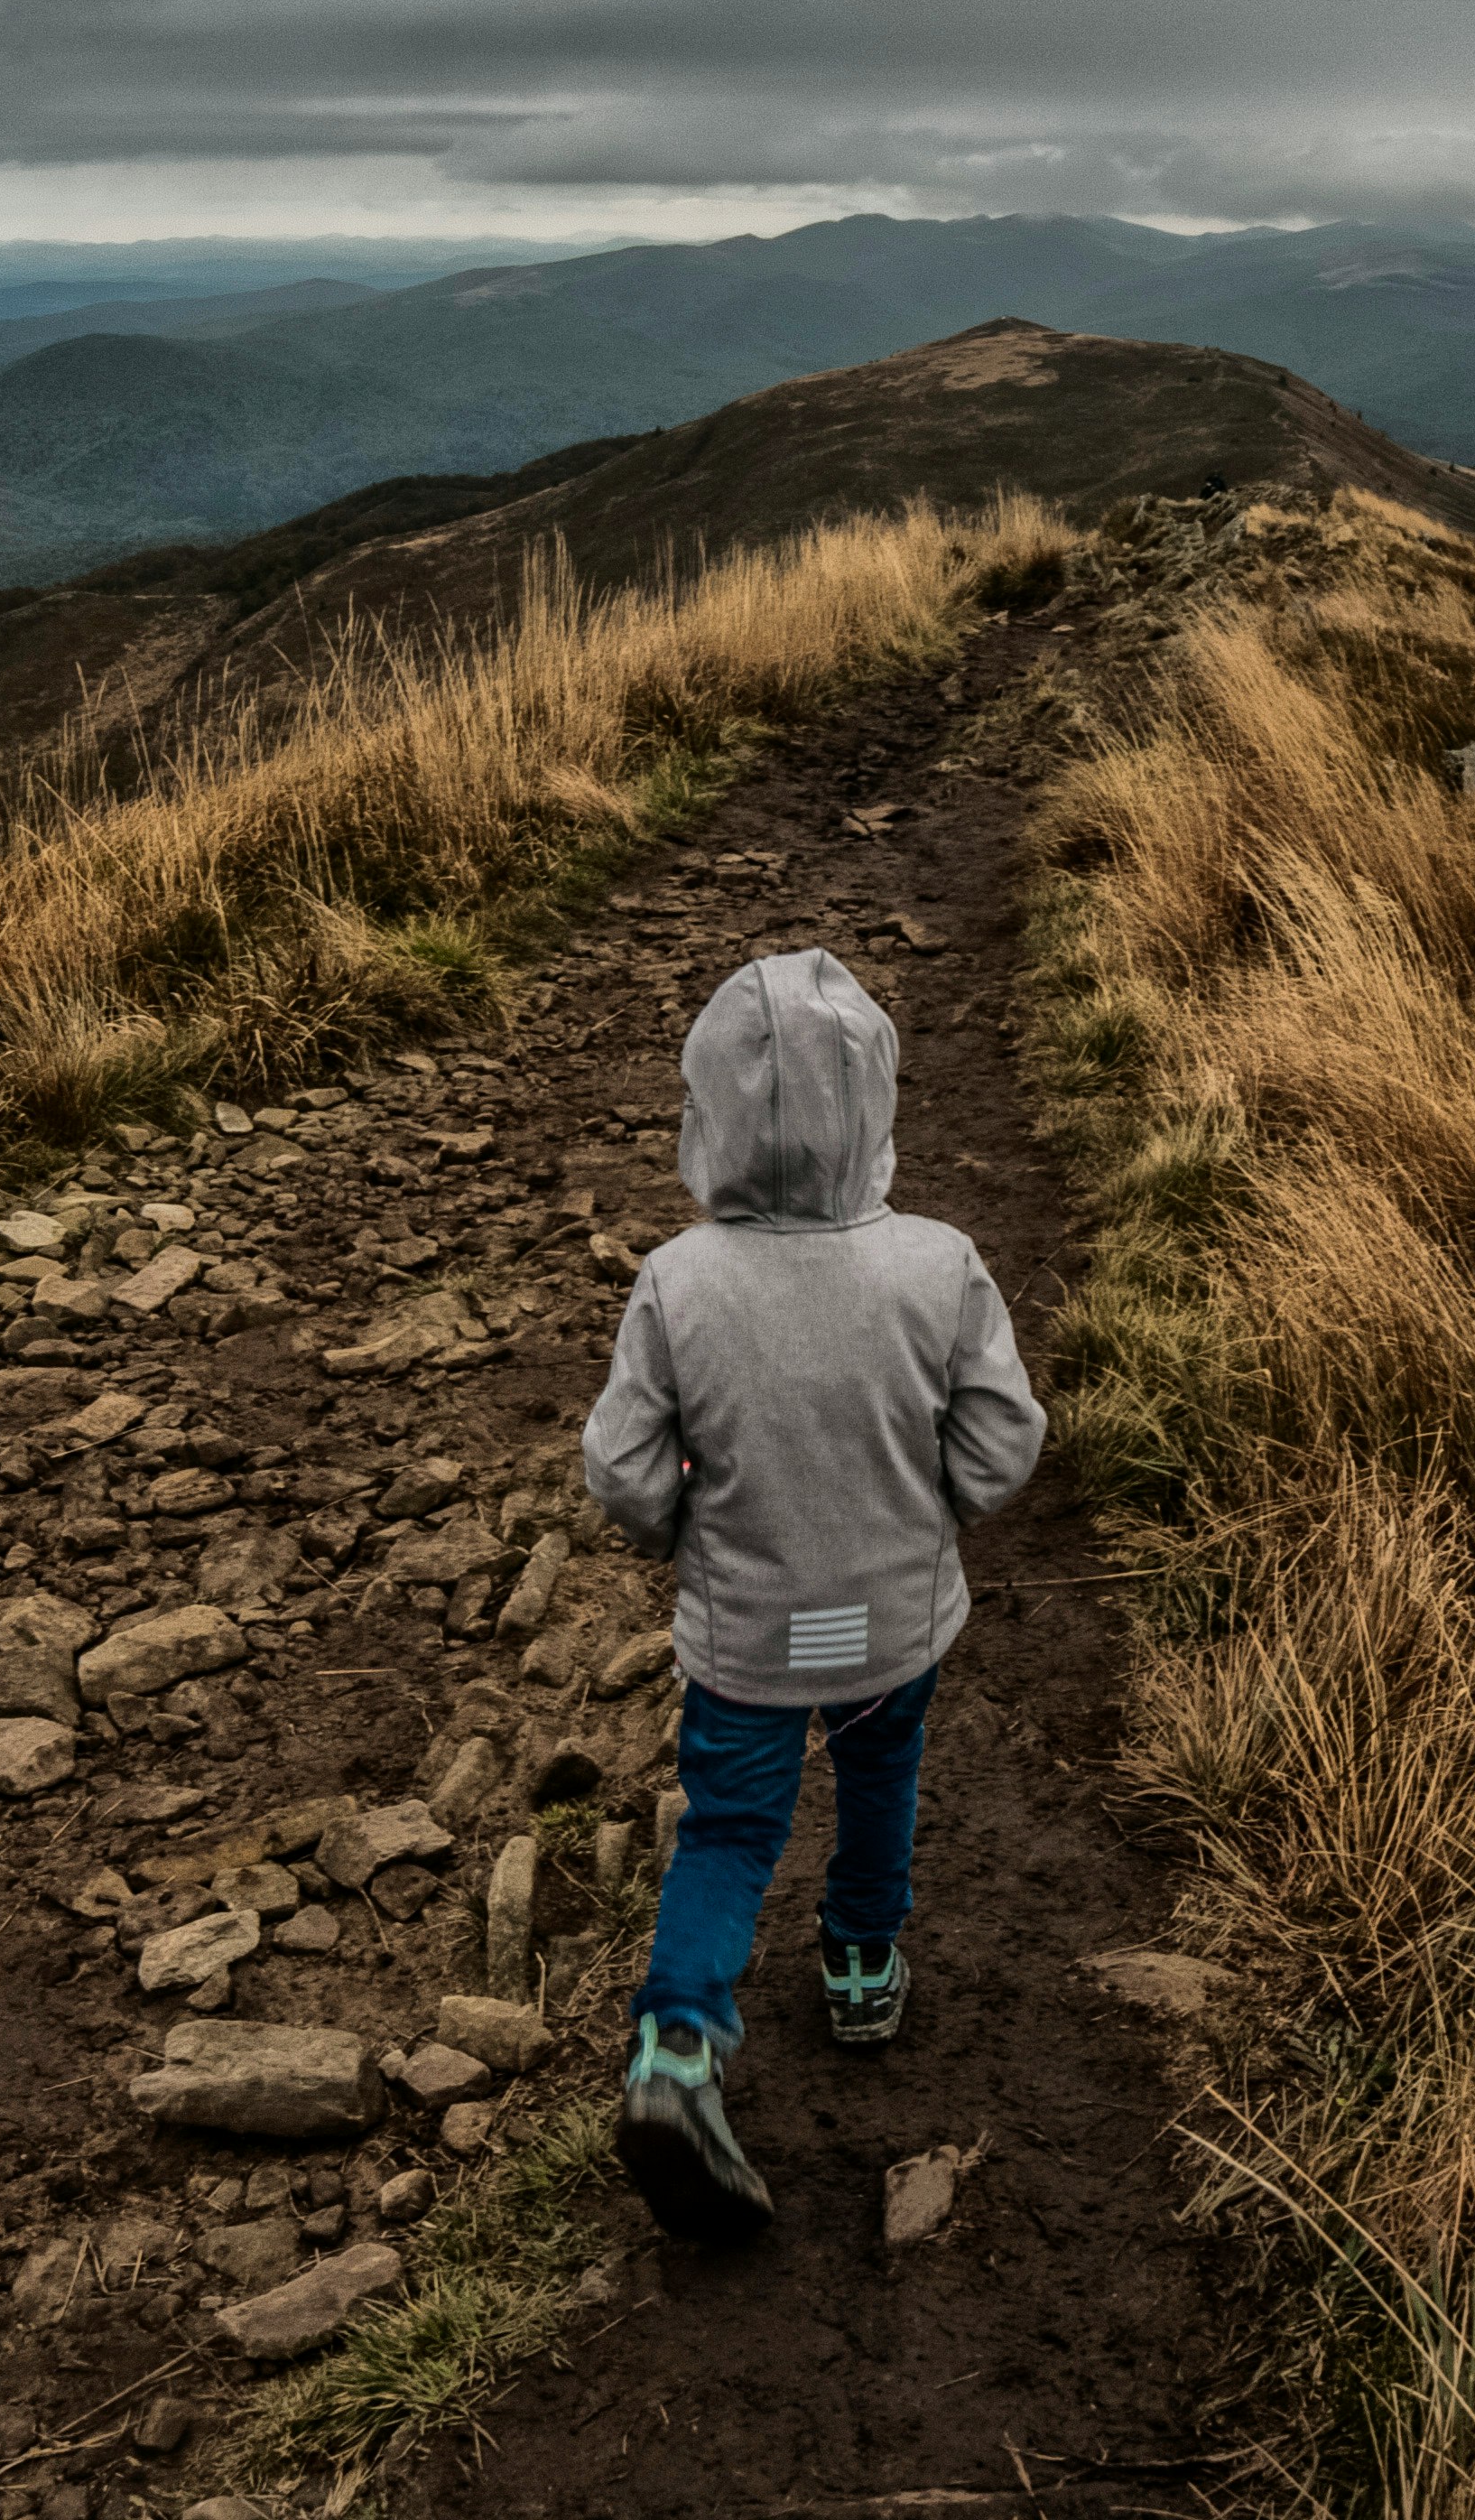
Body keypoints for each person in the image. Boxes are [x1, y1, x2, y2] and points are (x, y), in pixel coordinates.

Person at [580, 947, 1047, 2242]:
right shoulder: (939, 1266)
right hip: (895, 1621)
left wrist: (690, 1531)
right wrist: (928, 1513)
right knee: (881, 1776)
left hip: (744, 1636)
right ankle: (857, 1966)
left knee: (730, 1829)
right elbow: (1005, 1444)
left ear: (708, 1115)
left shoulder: (679, 1284)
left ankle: (677, 2054)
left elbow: (620, 1471)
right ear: (878, 1104)